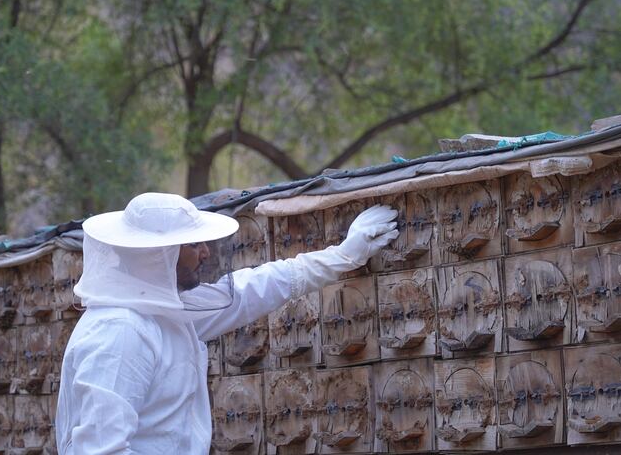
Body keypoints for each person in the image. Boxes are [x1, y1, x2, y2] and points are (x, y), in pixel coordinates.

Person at [55, 192, 398, 454]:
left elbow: (251, 290)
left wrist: (342, 256)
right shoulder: (121, 333)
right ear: (158, 253)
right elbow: (99, 449)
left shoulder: (161, 311)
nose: (205, 253)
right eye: (193, 244)